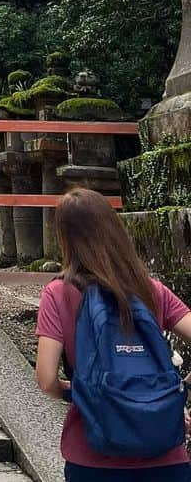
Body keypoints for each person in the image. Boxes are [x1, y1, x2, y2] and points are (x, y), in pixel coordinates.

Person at [35, 187, 191, 480]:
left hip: (93, 457)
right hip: (166, 457)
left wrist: (82, 393)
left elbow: (45, 379)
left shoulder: (58, 293)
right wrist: (179, 390)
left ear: (65, 238)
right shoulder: (151, 290)